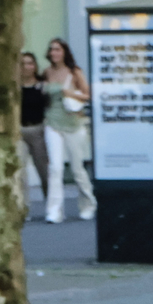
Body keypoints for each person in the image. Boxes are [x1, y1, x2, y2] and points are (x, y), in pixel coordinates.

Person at [42, 38, 96, 223]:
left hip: (74, 124)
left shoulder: (75, 72)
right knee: (55, 167)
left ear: (64, 51)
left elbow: (88, 95)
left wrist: (70, 93)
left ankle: (88, 204)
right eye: (52, 50)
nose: (54, 53)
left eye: (57, 49)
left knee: (77, 168)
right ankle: (54, 211)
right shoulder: (46, 72)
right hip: (52, 122)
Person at [17, 51, 49, 212]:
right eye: (22, 64)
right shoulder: (14, 88)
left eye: (30, 63)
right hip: (20, 131)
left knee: (43, 170)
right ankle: (24, 208)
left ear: (35, 66)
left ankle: (50, 203)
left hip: (38, 130)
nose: (26, 67)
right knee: (20, 171)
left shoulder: (41, 86)